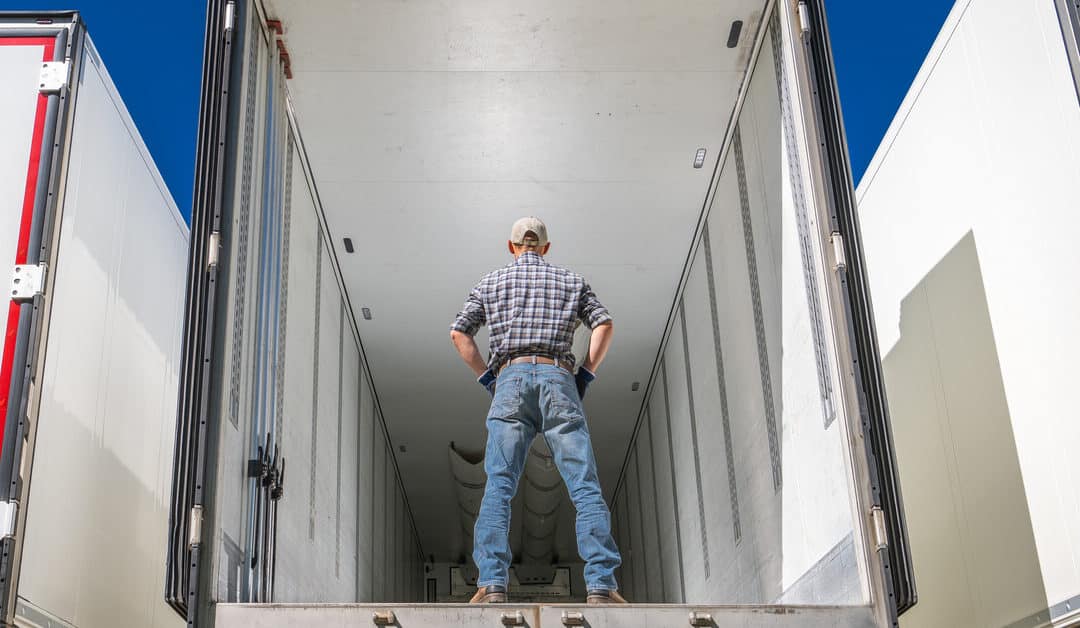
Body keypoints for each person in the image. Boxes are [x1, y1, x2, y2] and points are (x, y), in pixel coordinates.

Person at [449, 216, 626, 605]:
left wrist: (488, 380)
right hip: (558, 378)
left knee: (499, 485)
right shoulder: (571, 281)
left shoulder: (490, 283)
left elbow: (459, 333)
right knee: (583, 485)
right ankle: (601, 585)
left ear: (511, 247)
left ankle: (492, 584)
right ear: (546, 247)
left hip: (509, 381)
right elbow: (604, 325)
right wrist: (585, 375)